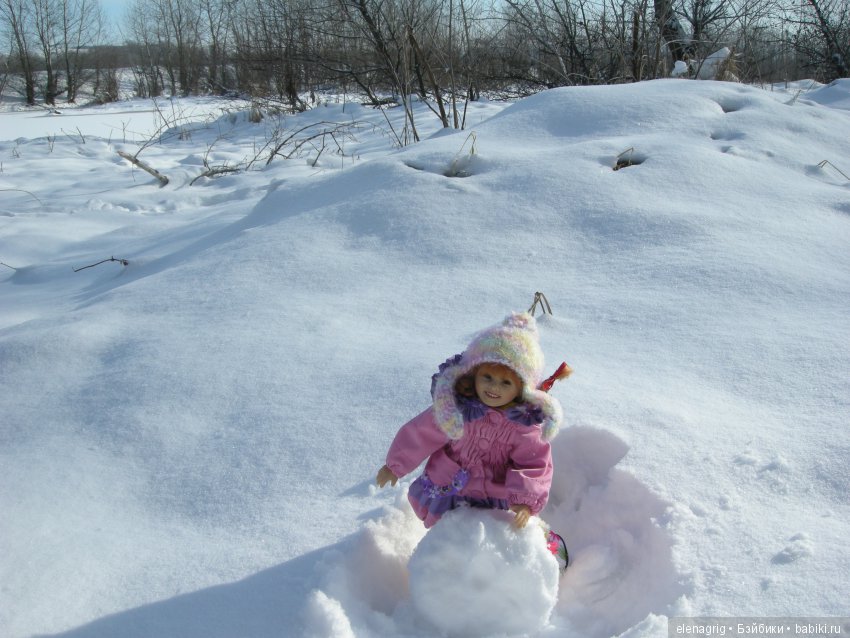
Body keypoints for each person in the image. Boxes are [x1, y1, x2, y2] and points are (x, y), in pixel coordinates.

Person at [376, 311, 570, 531]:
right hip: (450, 488)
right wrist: (395, 465)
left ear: (522, 388)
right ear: (473, 374)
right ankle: (442, 559)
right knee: (448, 531)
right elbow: (421, 433)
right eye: (487, 377)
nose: (494, 387)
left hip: (498, 496)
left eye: (505, 383)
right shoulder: (455, 407)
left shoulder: (524, 423)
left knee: (495, 535)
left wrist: (525, 502)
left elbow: (534, 464)